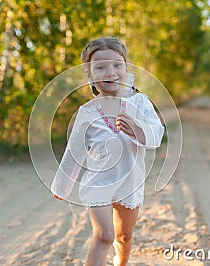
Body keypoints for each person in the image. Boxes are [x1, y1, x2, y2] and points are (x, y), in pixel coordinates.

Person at [51, 37, 164, 266]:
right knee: (104, 235)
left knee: (123, 237)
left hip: (129, 182)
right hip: (98, 182)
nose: (109, 72)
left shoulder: (140, 102)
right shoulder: (87, 112)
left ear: (125, 68)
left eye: (116, 65)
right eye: (100, 67)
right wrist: (62, 185)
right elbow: (75, 151)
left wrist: (137, 129)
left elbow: (157, 134)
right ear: (89, 75)